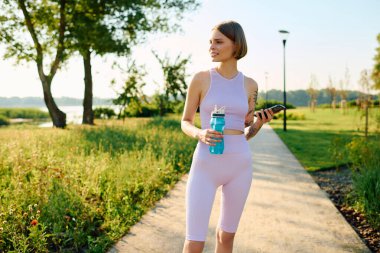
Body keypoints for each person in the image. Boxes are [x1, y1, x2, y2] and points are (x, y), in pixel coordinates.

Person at [181, 20, 274, 253]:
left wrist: (258, 125)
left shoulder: (250, 85)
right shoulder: (201, 79)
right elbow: (186, 122)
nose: (212, 47)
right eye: (210, 42)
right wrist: (200, 133)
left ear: (236, 45)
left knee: (226, 237)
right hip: (206, 164)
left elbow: (244, 132)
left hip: (240, 166)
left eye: (219, 42)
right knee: (195, 241)